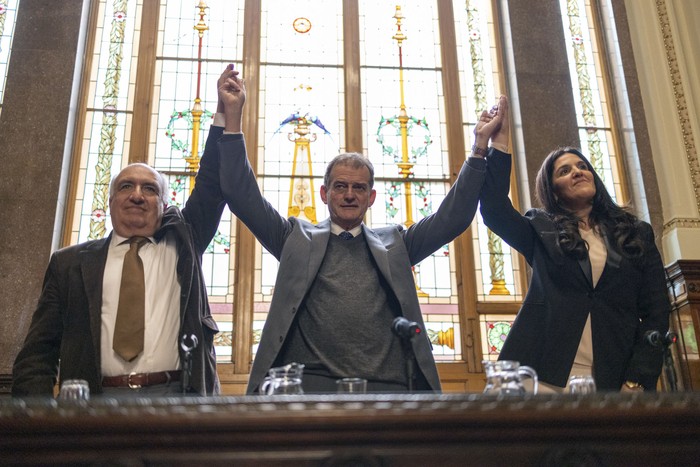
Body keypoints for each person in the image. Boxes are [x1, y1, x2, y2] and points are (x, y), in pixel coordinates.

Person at [216, 68, 508, 393]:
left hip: (389, 390)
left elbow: (452, 218)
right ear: (325, 194)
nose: (349, 195)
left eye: (359, 188)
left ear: (371, 198)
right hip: (311, 390)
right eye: (340, 186)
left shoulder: (395, 243)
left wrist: (480, 147)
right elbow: (241, 194)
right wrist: (232, 119)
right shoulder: (295, 239)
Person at [11, 66, 240, 397]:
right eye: (126, 187)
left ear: (164, 205)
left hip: (176, 400)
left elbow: (211, 183)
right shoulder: (69, 264)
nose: (136, 195)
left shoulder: (184, 245)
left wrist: (223, 114)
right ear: (110, 200)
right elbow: (38, 353)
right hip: (95, 406)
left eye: (149, 189)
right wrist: (39, 427)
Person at [479, 113, 671, 392]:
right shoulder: (541, 230)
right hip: (541, 375)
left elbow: (657, 312)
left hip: (614, 378)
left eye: (582, 166)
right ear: (554, 192)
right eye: (564, 171)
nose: (577, 171)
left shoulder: (636, 233)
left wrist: (638, 376)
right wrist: (497, 144)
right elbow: (494, 209)